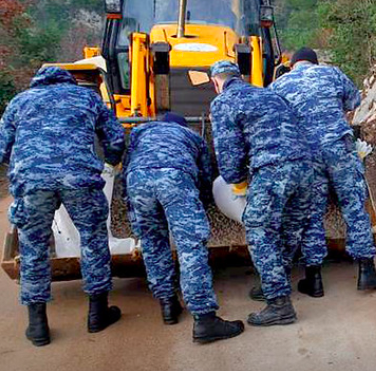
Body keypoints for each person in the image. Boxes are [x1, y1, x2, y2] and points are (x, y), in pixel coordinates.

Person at [0, 66, 125, 347]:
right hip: (79, 179)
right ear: (69, 80)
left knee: (34, 248)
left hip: (32, 183)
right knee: (93, 241)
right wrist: (110, 162)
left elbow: (2, 147)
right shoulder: (87, 99)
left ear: (37, 80)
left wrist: (23, 169)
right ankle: (97, 313)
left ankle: (37, 325)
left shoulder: (19, 101)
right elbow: (115, 138)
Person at [270, 47, 376, 298]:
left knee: (312, 212)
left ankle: (314, 279)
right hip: (338, 147)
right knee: (353, 205)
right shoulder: (331, 73)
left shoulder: (280, 84)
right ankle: (367, 272)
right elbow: (353, 102)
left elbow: (274, 119)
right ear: (315, 62)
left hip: (306, 154)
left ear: (292, 65)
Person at [123, 112, 244, 343]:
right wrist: (205, 204)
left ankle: (168, 305)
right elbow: (205, 176)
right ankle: (205, 320)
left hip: (137, 181)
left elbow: (127, 167)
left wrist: (131, 207)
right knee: (190, 247)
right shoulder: (192, 136)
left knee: (153, 243)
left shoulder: (140, 132)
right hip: (175, 178)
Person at [209, 60, 312, 326]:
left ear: (215, 82)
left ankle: (279, 304)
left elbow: (228, 151)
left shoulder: (224, 101)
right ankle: (274, 284)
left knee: (258, 229)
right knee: (289, 228)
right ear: (240, 76)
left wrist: (237, 183)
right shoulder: (270, 93)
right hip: (305, 167)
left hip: (273, 169)